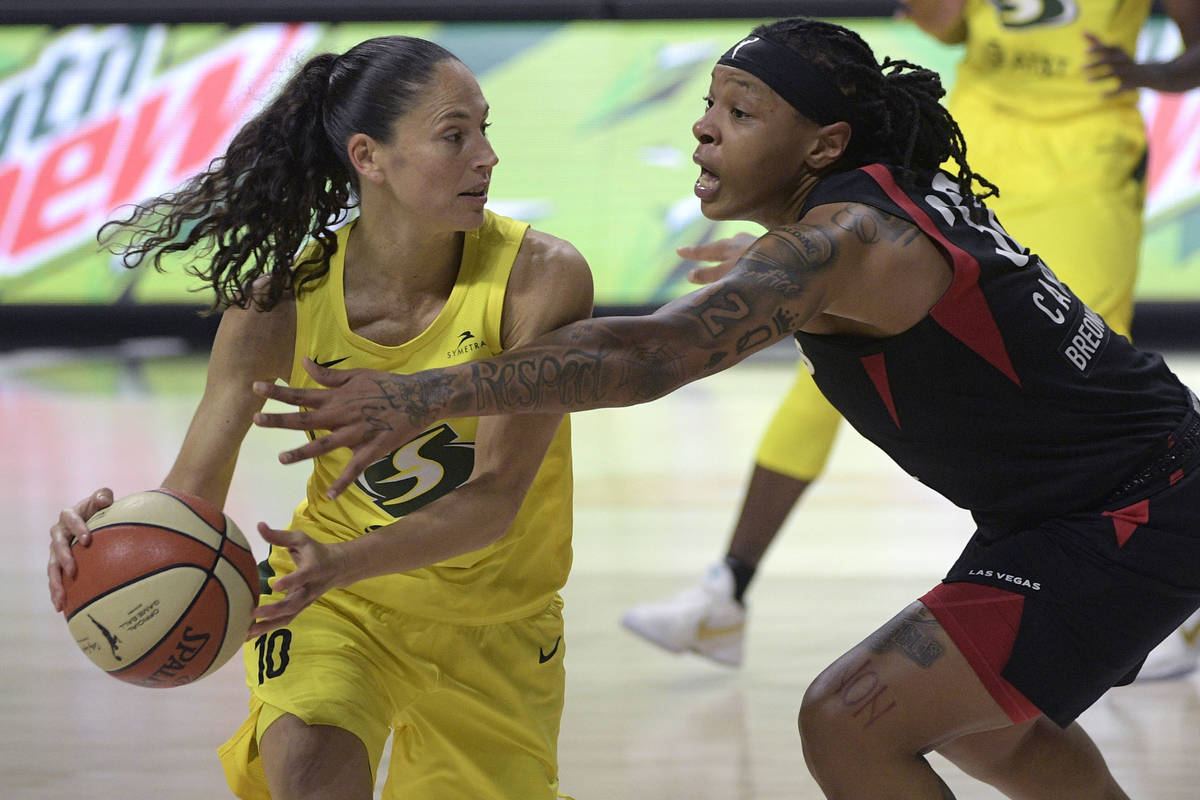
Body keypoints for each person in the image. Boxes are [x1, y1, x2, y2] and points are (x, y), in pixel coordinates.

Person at [251, 16, 1200, 798]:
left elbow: (649, 355)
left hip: (1135, 508)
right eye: (709, 104)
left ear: (824, 146)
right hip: (1091, 500)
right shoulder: (864, 213)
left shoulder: (843, 241)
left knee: (850, 719)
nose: (706, 127)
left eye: (742, 112)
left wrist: (427, 391)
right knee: (988, 728)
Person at [45, 35, 593, 800]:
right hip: (336, 606)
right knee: (311, 777)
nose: (487, 156)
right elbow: (192, 494)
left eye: (486, 128)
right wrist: (116, 538)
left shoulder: (541, 278)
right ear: (369, 156)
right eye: (454, 134)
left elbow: (495, 499)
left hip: (498, 623)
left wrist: (338, 562)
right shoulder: (281, 301)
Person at [620, 0, 1200, 675]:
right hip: (986, 140)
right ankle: (727, 589)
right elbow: (942, 23)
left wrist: (1146, 70)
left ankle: (1172, 600)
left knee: (1087, 365)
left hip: (1085, 159)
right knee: (827, 360)